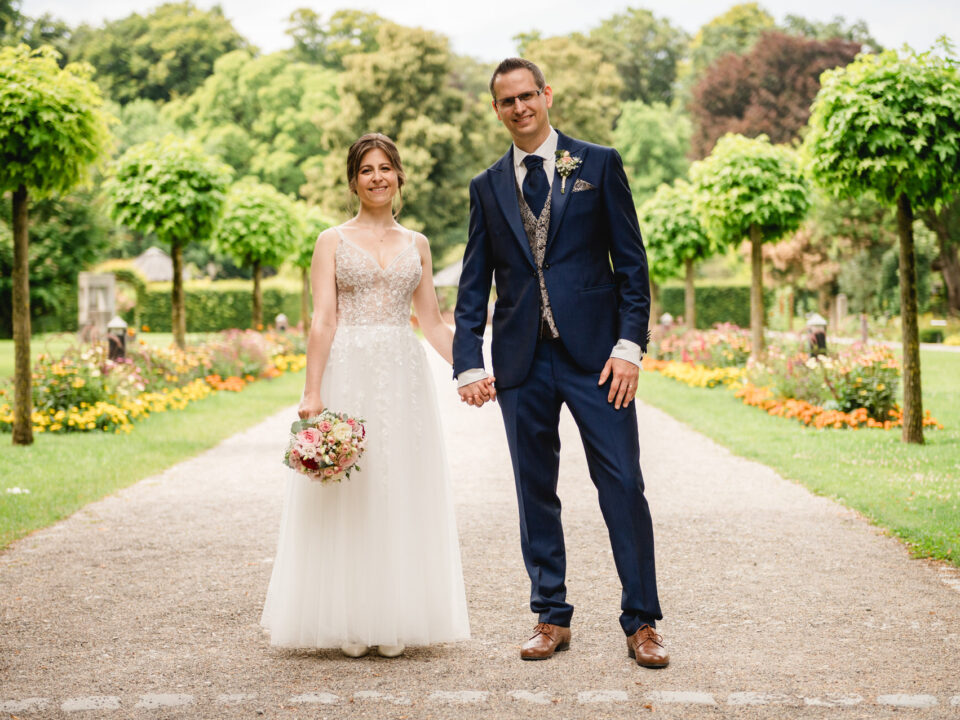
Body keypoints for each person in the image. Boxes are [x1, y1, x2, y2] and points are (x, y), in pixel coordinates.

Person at [452, 58, 668, 668]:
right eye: (507, 101)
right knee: (534, 491)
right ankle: (550, 616)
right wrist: (467, 360)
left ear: (547, 95)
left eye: (528, 96)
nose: (520, 108)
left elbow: (632, 265)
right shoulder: (487, 186)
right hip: (521, 362)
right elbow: (475, 283)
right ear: (495, 109)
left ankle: (642, 622)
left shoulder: (598, 163)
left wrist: (630, 347)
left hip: (599, 361)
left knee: (623, 483)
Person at [261, 133, 477, 658]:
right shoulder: (331, 240)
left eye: (385, 168)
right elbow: (323, 319)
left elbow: (430, 321)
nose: (377, 177)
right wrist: (312, 392)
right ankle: (350, 618)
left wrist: (471, 370)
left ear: (399, 175)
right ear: (353, 180)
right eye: (366, 170)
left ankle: (394, 616)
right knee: (350, 489)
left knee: (399, 485)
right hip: (349, 370)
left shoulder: (418, 244)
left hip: (403, 376)